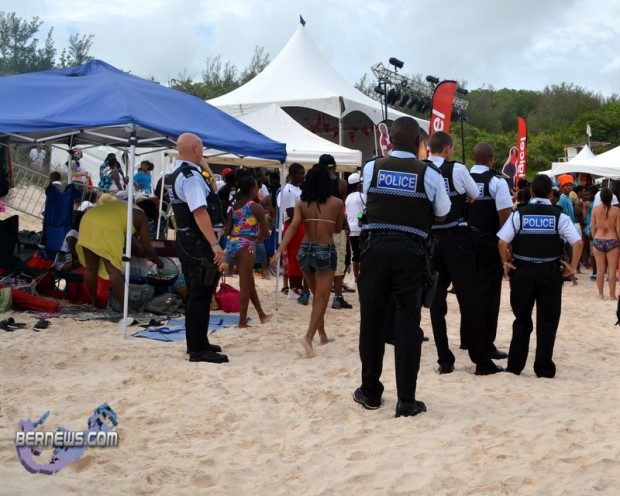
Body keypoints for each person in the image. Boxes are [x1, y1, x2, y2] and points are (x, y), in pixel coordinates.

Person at [354, 117, 450, 418]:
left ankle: (370, 392)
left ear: (390, 140)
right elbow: (443, 213)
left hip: (375, 248)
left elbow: (368, 200)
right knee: (408, 323)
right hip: (411, 251)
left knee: (372, 320)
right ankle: (406, 400)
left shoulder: (372, 167)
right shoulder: (429, 173)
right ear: (418, 142)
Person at [426, 131, 503, 376]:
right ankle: (481, 360)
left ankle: (444, 359)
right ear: (447, 149)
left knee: (437, 302)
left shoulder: (421, 169)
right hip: (457, 238)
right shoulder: (457, 169)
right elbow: (475, 195)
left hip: (432, 240)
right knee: (469, 298)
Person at [499, 174, 583, 378]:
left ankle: (515, 366)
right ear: (550, 194)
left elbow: (502, 242)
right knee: (547, 322)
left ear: (532, 192)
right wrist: (571, 267)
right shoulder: (559, 216)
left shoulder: (519, 213)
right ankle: (544, 368)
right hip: (549, 274)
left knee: (521, 320)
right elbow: (578, 243)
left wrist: (506, 262)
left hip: (523, 272)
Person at [165, 132, 229, 364]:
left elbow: (212, 189)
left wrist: (204, 166)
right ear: (194, 147)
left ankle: (199, 341)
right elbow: (199, 211)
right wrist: (214, 244)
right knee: (200, 293)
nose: (203, 150)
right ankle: (197, 348)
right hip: (197, 241)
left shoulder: (182, 172)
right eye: (201, 147)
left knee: (199, 291)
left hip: (188, 239)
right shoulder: (190, 176)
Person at [271, 163, 344, 358]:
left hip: (304, 250)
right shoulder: (336, 203)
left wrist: (279, 251)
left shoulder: (302, 203)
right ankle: (308, 337)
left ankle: (322, 335)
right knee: (321, 298)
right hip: (324, 250)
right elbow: (338, 229)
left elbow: (293, 227)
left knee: (315, 296)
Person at [467, 142, 513, 359]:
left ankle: (467, 338)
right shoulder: (496, 182)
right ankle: (486, 342)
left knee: (469, 290)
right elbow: (504, 214)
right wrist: (506, 244)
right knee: (489, 293)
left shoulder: (462, 178)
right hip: (488, 241)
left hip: (464, 240)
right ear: (492, 159)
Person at [76, 200, 162, 310]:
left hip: (88, 219)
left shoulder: (125, 206)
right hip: (107, 227)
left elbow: (133, 240)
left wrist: (143, 251)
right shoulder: (142, 217)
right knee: (113, 270)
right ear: (149, 217)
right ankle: (125, 309)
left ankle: (94, 304)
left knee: (91, 268)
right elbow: (147, 246)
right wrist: (158, 261)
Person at [225, 176, 272, 328]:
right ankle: (242, 322)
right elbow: (265, 232)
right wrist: (258, 238)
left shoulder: (234, 206)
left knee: (249, 282)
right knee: (245, 284)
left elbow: (227, 230)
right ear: (253, 189)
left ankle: (261, 315)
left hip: (232, 243)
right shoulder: (256, 207)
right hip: (246, 244)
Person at [318, 153, 352, 309]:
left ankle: (316, 294)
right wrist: (345, 224)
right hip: (337, 226)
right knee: (339, 262)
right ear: (335, 166)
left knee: (320, 261)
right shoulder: (342, 184)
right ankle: (337, 296)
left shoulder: (316, 184)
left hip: (319, 225)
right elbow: (341, 207)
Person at [280, 163, 306, 298]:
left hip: (301, 224)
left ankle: (299, 286)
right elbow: (290, 212)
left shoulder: (299, 189)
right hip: (293, 224)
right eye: (301, 174)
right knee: (293, 256)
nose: (303, 176)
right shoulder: (288, 190)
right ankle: (293, 288)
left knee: (300, 257)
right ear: (292, 175)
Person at [590, 187, 620, 300]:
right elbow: (618, 229)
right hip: (612, 240)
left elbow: (592, 227)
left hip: (598, 239)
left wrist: (595, 238)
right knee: (612, 270)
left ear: (600, 198)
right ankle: (612, 295)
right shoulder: (617, 211)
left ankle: (601, 294)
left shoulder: (595, 209)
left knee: (600, 270)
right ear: (612, 198)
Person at [344, 172, 365, 282]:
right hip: (361, 228)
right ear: (358, 185)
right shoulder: (362, 196)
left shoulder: (348, 198)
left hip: (351, 229)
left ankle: (356, 277)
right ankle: (361, 276)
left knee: (355, 253)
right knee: (363, 253)